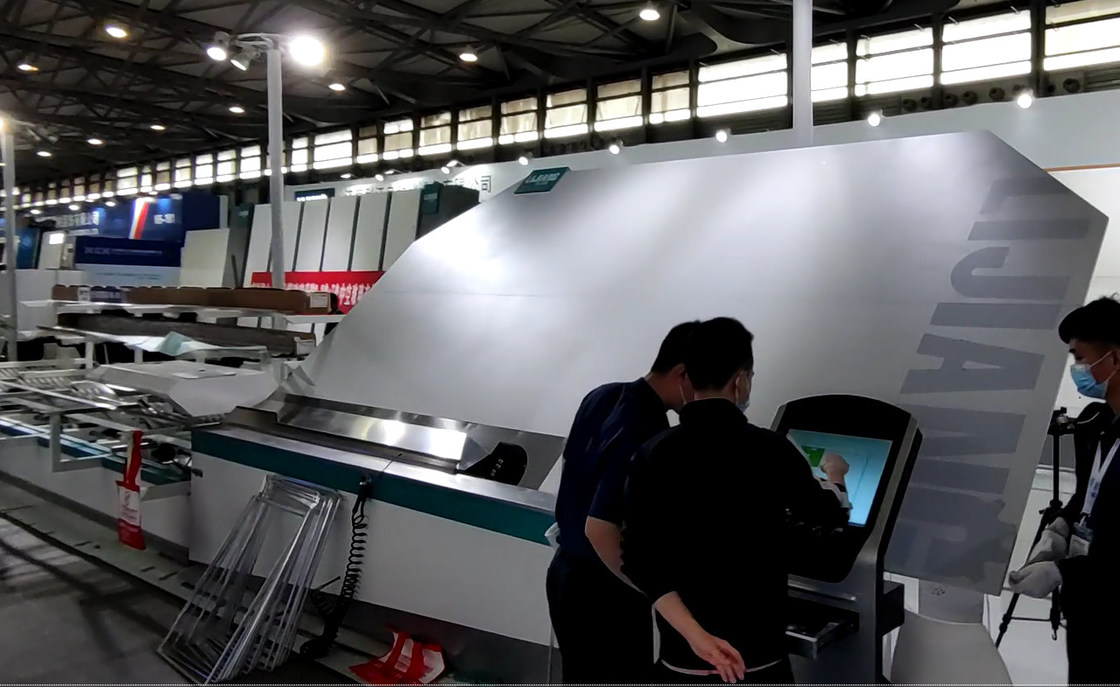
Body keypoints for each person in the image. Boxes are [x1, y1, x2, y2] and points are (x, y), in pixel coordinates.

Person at [621, 317, 849, 684]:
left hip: (681, 660)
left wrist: (697, 637)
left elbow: (639, 561)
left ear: (687, 379)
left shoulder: (653, 453)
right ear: (740, 381)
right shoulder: (771, 449)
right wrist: (835, 477)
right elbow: (825, 515)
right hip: (759, 661)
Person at [545, 321, 700, 684]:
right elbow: (600, 527)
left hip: (566, 575)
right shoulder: (648, 428)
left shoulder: (602, 395)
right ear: (682, 374)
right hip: (605, 592)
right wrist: (653, 591)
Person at [1009, 297, 1120, 685]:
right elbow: (1089, 493)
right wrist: (1062, 526)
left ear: (1114, 359)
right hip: (1089, 605)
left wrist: (1062, 571)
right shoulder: (1097, 423)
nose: (1077, 370)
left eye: (1080, 358)